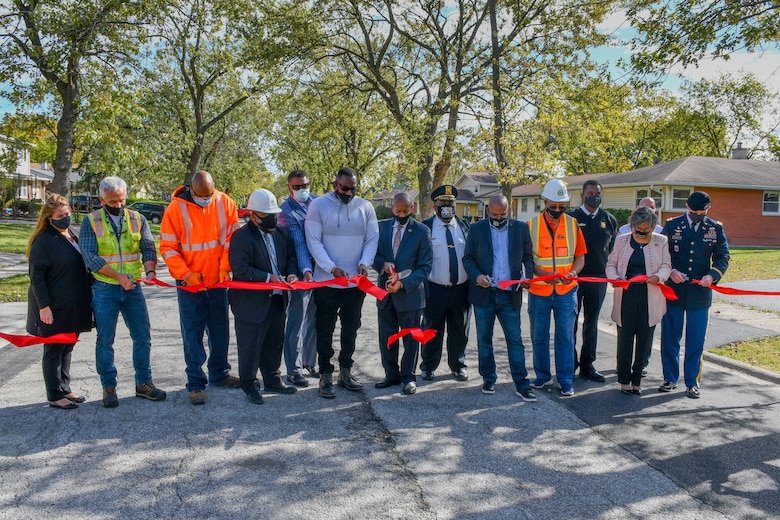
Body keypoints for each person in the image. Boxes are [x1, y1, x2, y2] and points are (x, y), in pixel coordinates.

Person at [80, 176, 167, 408]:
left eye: (121, 200)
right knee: (105, 340)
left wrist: (150, 272)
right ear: (101, 199)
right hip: (105, 288)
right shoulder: (91, 221)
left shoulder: (137, 218)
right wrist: (118, 277)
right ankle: (109, 387)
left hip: (133, 289)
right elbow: (89, 256)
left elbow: (148, 246)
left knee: (142, 337)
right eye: (112, 201)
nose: (118, 205)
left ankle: (144, 384)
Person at [160, 170, 241, 406]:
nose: (206, 199)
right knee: (192, 332)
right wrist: (185, 274)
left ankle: (219, 373)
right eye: (201, 196)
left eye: (209, 195)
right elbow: (168, 247)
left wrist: (225, 268)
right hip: (190, 283)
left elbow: (231, 240)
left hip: (217, 280)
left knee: (219, 329)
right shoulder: (175, 209)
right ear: (191, 190)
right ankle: (195, 383)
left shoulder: (225, 203)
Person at [305, 167, 379, 398]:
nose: (348, 192)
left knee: (351, 329)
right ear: (335, 184)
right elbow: (313, 241)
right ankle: (325, 374)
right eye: (344, 188)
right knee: (324, 329)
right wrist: (331, 268)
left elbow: (372, 238)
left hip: (354, 284)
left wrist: (365, 262)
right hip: (326, 282)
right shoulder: (318, 205)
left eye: (353, 189)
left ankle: (345, 371)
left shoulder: (365, 207)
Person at [228, 189, 299, 404]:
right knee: (250, 346)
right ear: (254, 215)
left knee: (274, 342)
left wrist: (292, 273)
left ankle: (272, 379)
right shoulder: (240, 237)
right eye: (267, 215)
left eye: (274, 214)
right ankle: (249, 385)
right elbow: (240, 269)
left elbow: (291, 258)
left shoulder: (282, 233)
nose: (273, 219)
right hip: (250, 304)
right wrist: (269, 277)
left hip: (277, 299)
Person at [463, 195, 537, 401]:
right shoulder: (477, 229)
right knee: (484, 340)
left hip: (510, 295)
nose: (498, 218)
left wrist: (526, 277)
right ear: (488, 211)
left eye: (502, 214)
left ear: (508, 211)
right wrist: (477, 277)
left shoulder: (520, 229)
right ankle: (488, 377)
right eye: (494, 214)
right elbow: (467, 258)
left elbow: (527, 258)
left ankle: (522, 383)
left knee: (515, 340)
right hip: (484, 294)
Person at [660, 191, 729, 398]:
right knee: (671, 337)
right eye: (694, 213)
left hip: (700, 293)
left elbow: (722, 256)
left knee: (695, 340)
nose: (698, 216)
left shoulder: (715, 228)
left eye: (702, 213)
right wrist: (670, 271)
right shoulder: (672, 226)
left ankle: (692, 381)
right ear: (687, 208)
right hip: (674, 290)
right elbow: (662, 254)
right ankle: (670, 379)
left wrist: (712, 275)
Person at [27, 194, 93, 409]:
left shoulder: (71, 234)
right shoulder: (43, 241)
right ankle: (55, 395)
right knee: (54, 349)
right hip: (53, 305)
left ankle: (65, 388)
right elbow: (36, 277)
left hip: (73, 304)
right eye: (60, 216)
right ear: (49, 218)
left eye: (67, 214)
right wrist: (43, 307)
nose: (65, 218)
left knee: (67, 347)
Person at [527, 179, 587, 397]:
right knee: (539, 336)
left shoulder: (573, 225)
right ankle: (542, 377)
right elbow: (527, 260)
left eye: (562, 207)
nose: (557, 210)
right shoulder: (531, 226)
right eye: (553, 206)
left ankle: (565, 380)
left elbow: (580, 257)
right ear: (544, 202)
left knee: (565, 337)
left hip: (566, 291)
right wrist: (541, 274)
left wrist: (574, 272)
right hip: (540, 291)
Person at [606, 207, 671, 395]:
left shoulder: (662, 242)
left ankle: (637, 381)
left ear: (653, 227)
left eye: (646, 229)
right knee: (625, 339)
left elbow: (667, 265)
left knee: (644, 340)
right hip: (626, 296)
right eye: (638, 229)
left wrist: (658, 277)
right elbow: (610, 264)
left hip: (649, 297)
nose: (641, 232)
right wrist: (615, 278)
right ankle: (624, 381)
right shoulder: (621, 240)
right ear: (632, 225)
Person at [372, 192, 432, 395]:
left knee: (410, 339)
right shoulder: (381, 228)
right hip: (386, 294)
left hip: (411, 295)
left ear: (412, 208)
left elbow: (425, 267)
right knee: (387, 337)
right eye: (398, 211)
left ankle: (408, 377)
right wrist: (383, 264)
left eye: (406, 211)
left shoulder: (422, 231)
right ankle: (391, 375)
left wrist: (403, 284)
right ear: (392, 208)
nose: (402, 214)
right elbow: (373, 255)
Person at [419, 184, 471, 382]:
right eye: (443, 202)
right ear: (435, 206)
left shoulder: (466, 227)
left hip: (461, 289)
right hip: (434, 289)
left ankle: (458, 365)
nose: (447, 205)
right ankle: (428, 366)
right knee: (432, 329)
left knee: (460, 329)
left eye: (451, 202)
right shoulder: (425, 227)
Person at [568, 180, 617, 382]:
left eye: (597, 193)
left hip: (598, 280)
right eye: (590, 193)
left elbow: (611, 249)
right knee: (571, 323)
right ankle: (569, 363)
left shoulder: (609, 220)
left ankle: (587, 364)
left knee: (592, 323)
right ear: (582, 194)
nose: (594, 196)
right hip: (574, 279)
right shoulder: (571, 218)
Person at [277, 169, 318, 387]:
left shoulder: (318, 203)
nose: (302, 190)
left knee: (315, 318)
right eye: (297, 187)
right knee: (297, 320)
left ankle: (311, 361)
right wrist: (305, 270)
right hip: (298, 273)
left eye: (305, 185)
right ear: (289, 188)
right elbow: (299, 243)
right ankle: (294, 369)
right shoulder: (285, 213)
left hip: (322, 273)